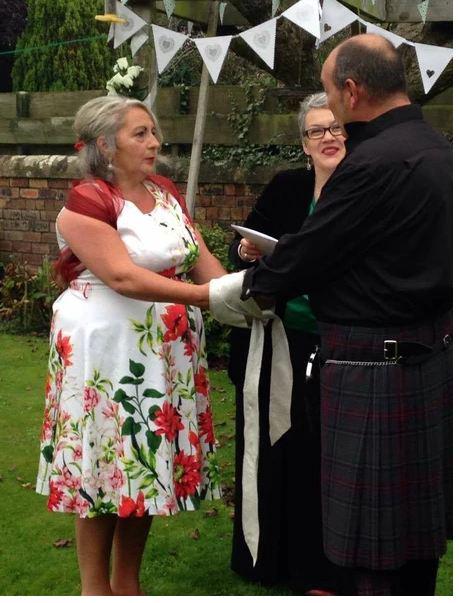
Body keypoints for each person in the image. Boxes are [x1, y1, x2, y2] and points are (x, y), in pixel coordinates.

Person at [237, 34, 452, 596]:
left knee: (370, 558)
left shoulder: (370, 165)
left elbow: (305, 260)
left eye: (330, 94)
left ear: (352, 92)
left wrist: (230, 289)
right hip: (428, 362)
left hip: (373, 374)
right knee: (416, 548)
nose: (331, 109)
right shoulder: (441, 151)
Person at [35, 95, 226, 596]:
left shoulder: (165, 192)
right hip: (106, 352)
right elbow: (122, 276)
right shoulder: (86, 202)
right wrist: (206, 298)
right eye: (140, 133)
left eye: (153, 131)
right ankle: (94, 590)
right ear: (105, 144)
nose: (154, 142)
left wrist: (241, 293)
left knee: (144, 461)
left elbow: (199, 256)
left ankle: (128, 584)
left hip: (162, 353)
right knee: (103, 465)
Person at [227, 93, 347, 594]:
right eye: (316, 130)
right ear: (303, 143)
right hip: (281, 340)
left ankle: (321, 566)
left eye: (336, 127)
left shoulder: (363, 186)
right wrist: (246, 249)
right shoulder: (287, 186)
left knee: (323, 458)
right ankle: (269, 559)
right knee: (276, 451)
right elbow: (243, 246)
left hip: (338, 344)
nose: (328, 137)